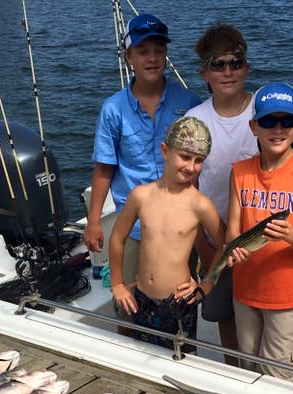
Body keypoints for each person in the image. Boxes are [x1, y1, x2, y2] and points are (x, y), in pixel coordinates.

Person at [83, 13, 201, 319]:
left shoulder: (189, 102)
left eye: (159, 50)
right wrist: (94, 220)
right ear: (128, 56)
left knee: (181, 305)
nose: (152, 58)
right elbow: (104, 169)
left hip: (180, 226)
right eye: (143, 51)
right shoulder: (113, 109)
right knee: (129, 307)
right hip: (133, 227)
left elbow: (200, 166)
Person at [224, 82, 293, 382]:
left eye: (287, 121)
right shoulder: (239, 171)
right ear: (254, 127)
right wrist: (233, 250)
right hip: (244, 291)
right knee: (247, 367)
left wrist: (289, 235)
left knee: (278, 376)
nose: (278, 129)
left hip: (287, 296)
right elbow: (232, 231)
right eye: (268, 121)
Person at [108, 117, 225, 350]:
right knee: (141, 356)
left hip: (180, 302)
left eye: (199, 160)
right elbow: (117, 238)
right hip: (140, 298)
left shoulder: (200, 205)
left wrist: (207, 284)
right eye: (184, 156)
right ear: (165, 151)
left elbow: (225, 245)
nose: (191, 167)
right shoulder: (141, 196)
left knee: (180, 360)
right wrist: (117, 284)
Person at [185, 24, 259, 364]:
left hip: (261, 239)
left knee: (262, 319)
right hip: (215, 243)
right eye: (218, 65)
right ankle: (235, 375)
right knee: (225, 316)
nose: (227, 71)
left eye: (235, 62)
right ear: (204, 73)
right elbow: (190, 190)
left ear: (246, 67)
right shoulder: (194, 120)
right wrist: (203, 245)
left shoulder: (267, 112)